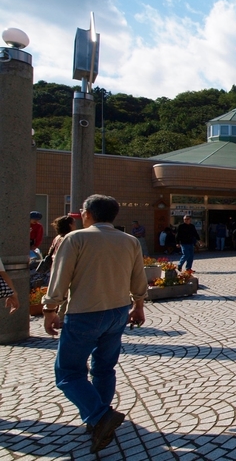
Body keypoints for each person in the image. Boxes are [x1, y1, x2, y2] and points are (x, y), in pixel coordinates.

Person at [40, 194, 147, 453]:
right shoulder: (130, 240)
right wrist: (139, 305)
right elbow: (138, 277)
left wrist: (50, 309)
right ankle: (98, 419)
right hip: (118, 312)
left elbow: (60, 276)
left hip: (85, 313)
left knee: (68, 372)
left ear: (88, 213)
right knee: (104, 368)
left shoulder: (75, 238)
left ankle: (99, 416)